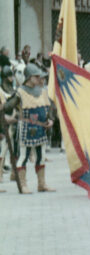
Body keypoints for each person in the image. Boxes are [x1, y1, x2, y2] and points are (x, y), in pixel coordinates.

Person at [3, 64, 55, 194]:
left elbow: (49, 108)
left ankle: (41, 184)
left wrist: (51, 119)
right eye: (36, 76)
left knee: (41, 156)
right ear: (29, 77)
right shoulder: (20, 92)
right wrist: (4, 107)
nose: (39, 79)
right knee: (23, 157)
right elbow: (8, 106)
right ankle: (23, 185)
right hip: (26, 128)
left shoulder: (43, 91)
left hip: (41, 129)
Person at [0, 64, 18, 188]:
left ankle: (14, 173)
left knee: (16, 149)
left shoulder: (13, 89)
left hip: (14, 120)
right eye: (9, 76)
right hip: (4, 122)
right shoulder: (1, 90)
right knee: (3, 149)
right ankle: (0, 173)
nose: (11, 78)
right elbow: (4, 106)